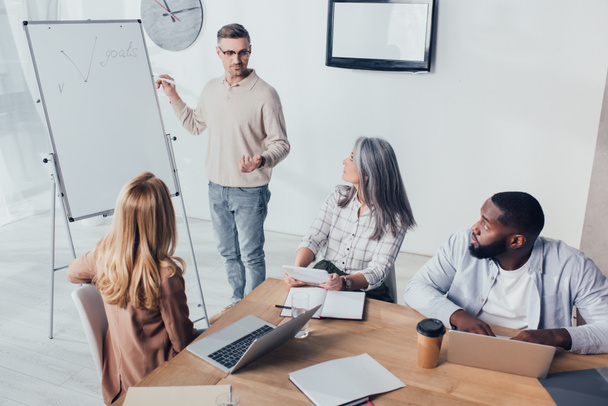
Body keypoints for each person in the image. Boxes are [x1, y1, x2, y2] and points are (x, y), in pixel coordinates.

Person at [156, 23, 290, 304]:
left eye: (242, 52)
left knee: (251, 255)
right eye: (229, 53)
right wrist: (173, 97)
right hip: (216, 187)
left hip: (250, 191)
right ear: (218, 53)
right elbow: (195, 125)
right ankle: (235, 303)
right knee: (228, 253)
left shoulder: (266, 94)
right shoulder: (210, 89)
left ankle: (254, 308)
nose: (236, 59)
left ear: (250, 52)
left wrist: (261, 160)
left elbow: (281, 144)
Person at [404, 191, 608, 354]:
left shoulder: (573, 265)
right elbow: (417, 287)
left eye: (485, 224)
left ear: (516, 241)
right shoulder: (462, 242)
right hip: (462, 348)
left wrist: (553, 337)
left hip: (531, 359)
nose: (474, 228)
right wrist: (457, 316)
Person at [67, 172, 196, 404]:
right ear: (163, 219)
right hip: (158, 384)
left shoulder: (103, 257)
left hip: (117, 385)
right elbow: (183, 342)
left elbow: (72, 273)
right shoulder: (165, 275)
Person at [284, 137, 416, 302]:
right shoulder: (337, 196)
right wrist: (298, 271)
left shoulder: (396, 219)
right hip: (326, 276)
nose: (344, 161)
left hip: (365, 289)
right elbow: (313, 238)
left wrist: (344, 283)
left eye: (352, 158)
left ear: (367, 173)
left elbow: (377, 270)